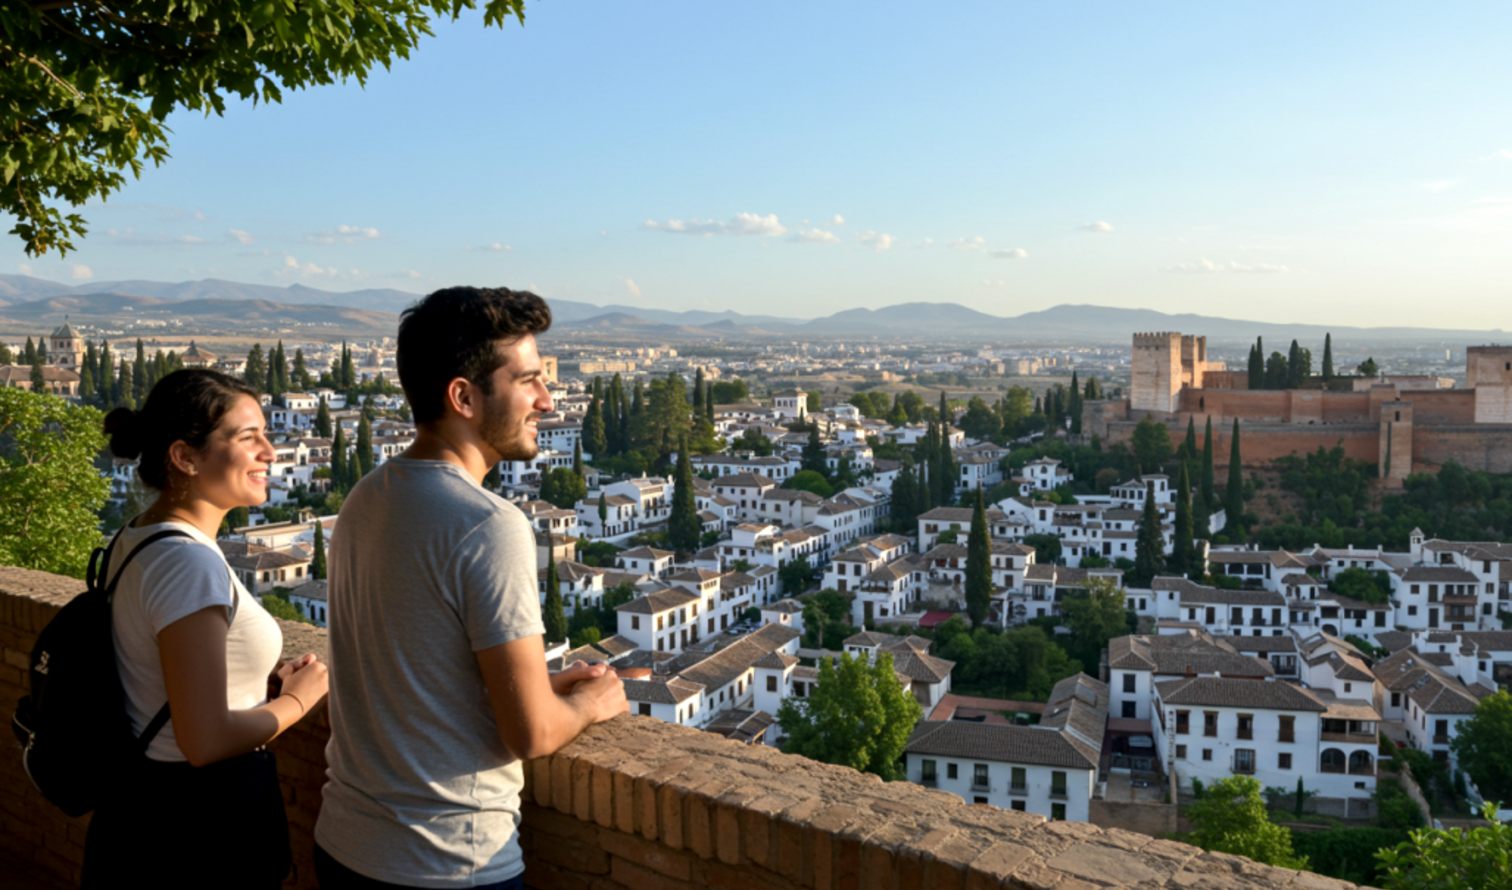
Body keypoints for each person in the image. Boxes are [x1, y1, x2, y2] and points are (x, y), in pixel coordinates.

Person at [316, 287, 628, 889]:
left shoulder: (369, 496)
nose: (546, 399)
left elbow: (415, 669)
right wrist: (592, 703)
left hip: (345, 844)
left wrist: (533, 687)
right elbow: (532, 734)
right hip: (446, 863)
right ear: (463, 395)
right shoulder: (487, 524)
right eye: (529, 381)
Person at [84, 369, 329, 888]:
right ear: (184, 457)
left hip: (145, 812)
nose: (270, 450)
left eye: (267, 433)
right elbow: (204, 740)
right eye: (248, 438)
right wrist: (297, 701)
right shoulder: (188, 563)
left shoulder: (139, 536)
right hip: (198, 824)